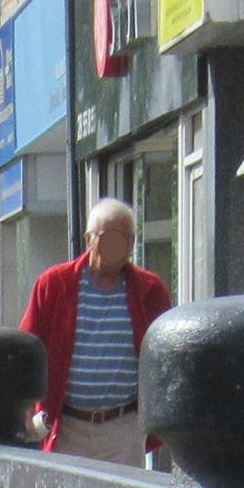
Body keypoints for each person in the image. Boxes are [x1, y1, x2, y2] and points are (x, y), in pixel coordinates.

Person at [18, 197, 173, 465]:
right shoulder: (54, 285)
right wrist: (25, 408)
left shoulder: (150, 290)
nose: (118, 247)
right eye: (109, 238)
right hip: (67, 425)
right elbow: (27, 347)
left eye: (126, 238)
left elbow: (164, 356)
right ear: (89, 239)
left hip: (124, 427)